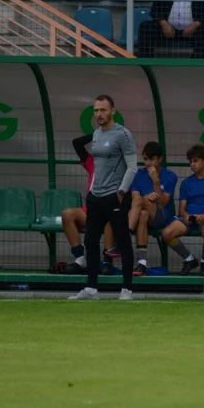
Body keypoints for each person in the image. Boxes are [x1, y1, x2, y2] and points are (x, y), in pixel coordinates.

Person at [70, 96, 138, 301]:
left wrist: (121, 192)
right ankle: (91, 288)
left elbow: (133, 166)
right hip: (95, 196)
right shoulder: (96, 135)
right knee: (90, 240)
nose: (99, 114)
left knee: (123, 241)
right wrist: (92, 191)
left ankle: (126, 290)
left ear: (113, 111)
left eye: (103, 110)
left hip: (114, 196)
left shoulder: (123, 134)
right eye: (96, 110)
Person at [160, 145, 204, 275]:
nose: (192, 165)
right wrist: (186, 216)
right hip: (189, 219)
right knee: (167, 233)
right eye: (190, 162)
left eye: (195, 161)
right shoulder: (186, 183)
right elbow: (182, 209)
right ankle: (189, 259)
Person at [61, 133, 115, 275]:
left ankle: (107, 262)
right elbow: (76, 143)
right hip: (90, 212)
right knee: (67, 214)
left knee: (111, 219)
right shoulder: (92, 163)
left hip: (109, 214)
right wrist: (97, 134)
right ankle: (80, 259)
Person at [128, 141, 179, 277]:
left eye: (152, 159)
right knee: (143, 214)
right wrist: (146, 199)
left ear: (160, 159)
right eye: (145, 159)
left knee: (142, 201)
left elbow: (162, 203)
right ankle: (142, 263)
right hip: (142, 214)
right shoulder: (138, 174)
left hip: (161, 216)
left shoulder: (170, 176)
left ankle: (125, 235)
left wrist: (156, 181)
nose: (148, 163)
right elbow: (135, 199)